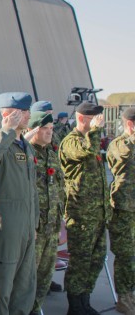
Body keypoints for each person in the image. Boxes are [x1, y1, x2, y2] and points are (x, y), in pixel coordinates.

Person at [0, 92, 38, 315]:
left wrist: (35, 221)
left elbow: (31, 189)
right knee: (2, 284)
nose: (28, 115)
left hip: (26, 223)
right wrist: (6, 130)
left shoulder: (24, 144)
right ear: (9, 115)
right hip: (6, 222)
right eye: (23, 112)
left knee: (24, 285)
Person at [59, 101, 109, 315]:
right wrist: (96, 131)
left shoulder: (92, 140)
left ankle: (85, 301)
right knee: (80, 261)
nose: (99, 122)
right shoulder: (71, 142)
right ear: (82, 118)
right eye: (94, 118)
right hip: (80, 214)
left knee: (96, 260)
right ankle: (75, 306)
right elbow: (86, 152)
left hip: (97, 213)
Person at [27, 112, 65, 315]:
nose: (50, 133)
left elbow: (59, 188)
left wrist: (61, 223)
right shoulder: (26, 153)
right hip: (34, 227)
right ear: (34, 129)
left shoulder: (51, 152)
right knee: (27, 277)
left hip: (51, 225)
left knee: (45, 275)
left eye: (51, 129)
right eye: (45, 129)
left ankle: (35, 309)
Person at [106, 107, 135, 314]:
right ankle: (123, 297)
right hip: (125, 210)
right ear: (131, 124)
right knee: (126, 255)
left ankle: (130, 294)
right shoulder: (119, 144)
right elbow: (121, 157)